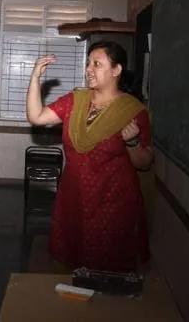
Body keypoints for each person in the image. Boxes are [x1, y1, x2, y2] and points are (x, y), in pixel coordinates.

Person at [25, 41, 153, 272]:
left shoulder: (132, 111)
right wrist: (35, 78)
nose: (88, 69)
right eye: (88, 63)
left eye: (97, 64)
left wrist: (132, 142)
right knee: (72, 266)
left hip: (113, 202)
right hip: (73, 197)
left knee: (108, 268)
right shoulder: (75, 101)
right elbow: (37, 117)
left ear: (116, 70)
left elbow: (145, 162)